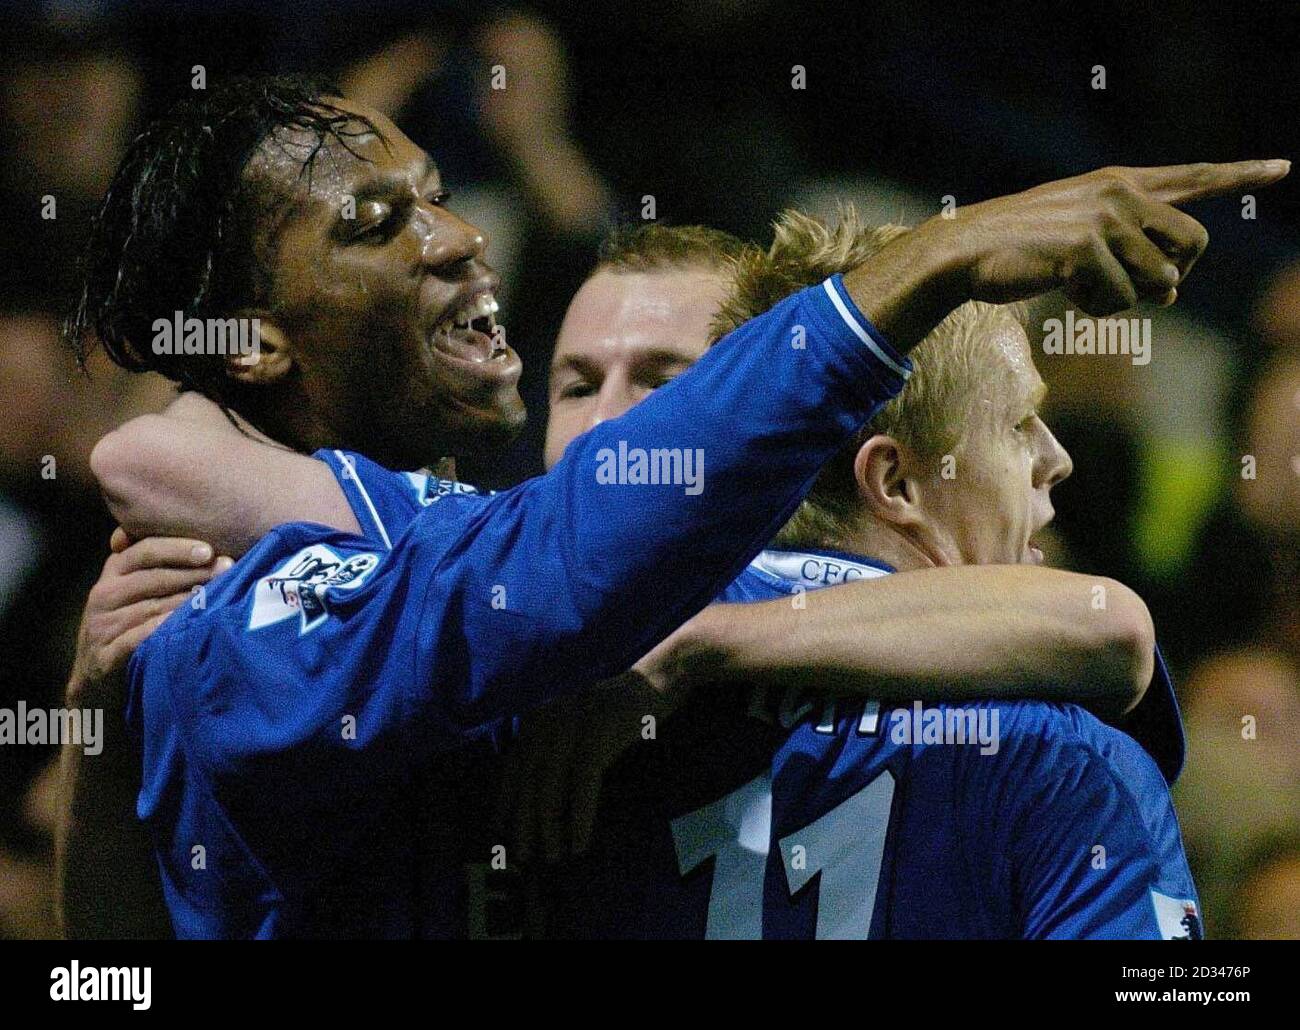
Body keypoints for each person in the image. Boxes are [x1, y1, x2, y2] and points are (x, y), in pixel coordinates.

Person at [62, 73, 1286, 936]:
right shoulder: (253, 614)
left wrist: (702, 641)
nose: (453, 238)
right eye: (380, 225)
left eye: (438, 193)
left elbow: (1103, 629)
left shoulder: (631, 639)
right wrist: (918, 270)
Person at [531, 211, 1201, 938]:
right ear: (896, 482)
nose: (1056, 457)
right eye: (1017, 424)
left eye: (661, 382)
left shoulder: (545, 664)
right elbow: (1113, 627)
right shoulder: (1061, 752)